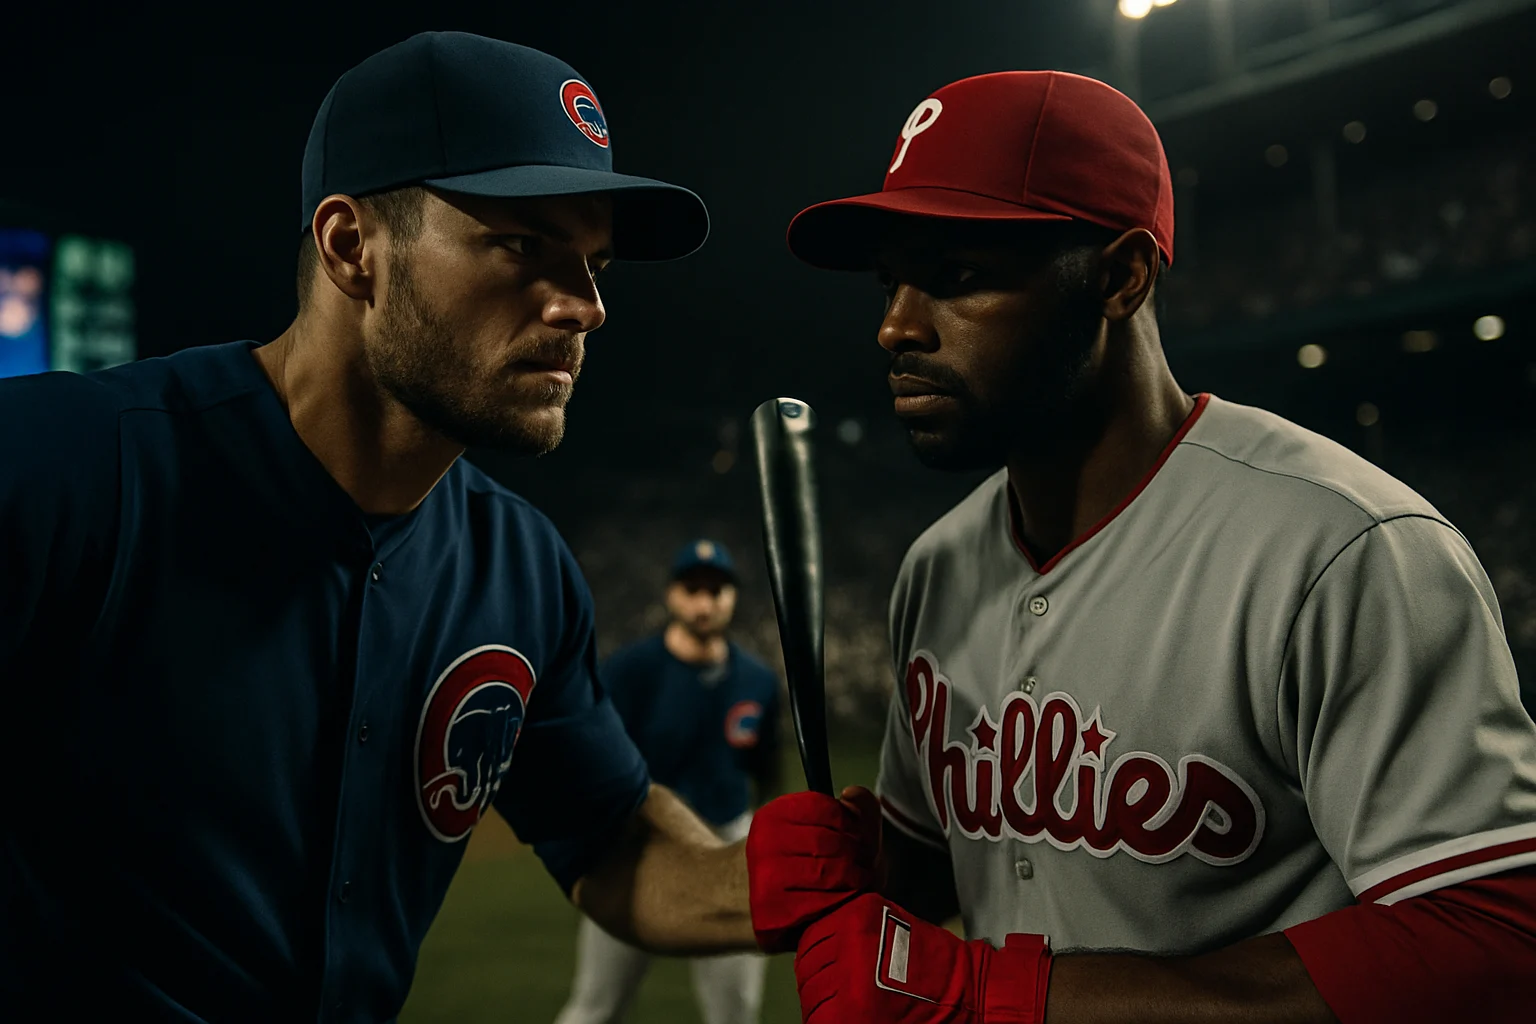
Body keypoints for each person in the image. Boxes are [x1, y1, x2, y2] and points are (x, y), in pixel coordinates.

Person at [0, 31, 824, 1021]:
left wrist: (844, 875)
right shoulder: (69, 470)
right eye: (523, 245)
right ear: (354, 247)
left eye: (595, 262)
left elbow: (615, 848)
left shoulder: (522, 570)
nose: (586, 306)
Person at [742, 71, 1536, 1022]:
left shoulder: (1342, 548)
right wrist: (873, 861)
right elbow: (979, 864)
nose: (896, 326)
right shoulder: (935, 568)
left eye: (954, 276)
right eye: (890, 282)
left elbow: (1498, 936)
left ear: (1122, 276)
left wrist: (1004, 997)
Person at [554, 539, 781, 1024]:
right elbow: (596, 760)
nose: (705, 601)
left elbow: (767, 771)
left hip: (727, 844)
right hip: (640, 849)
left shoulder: (758, 680)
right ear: (672, 595)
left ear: (732, 597)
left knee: (737, 1012)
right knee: (597, 1006)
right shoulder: (630, 671)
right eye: (693, 588)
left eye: (716, 589)